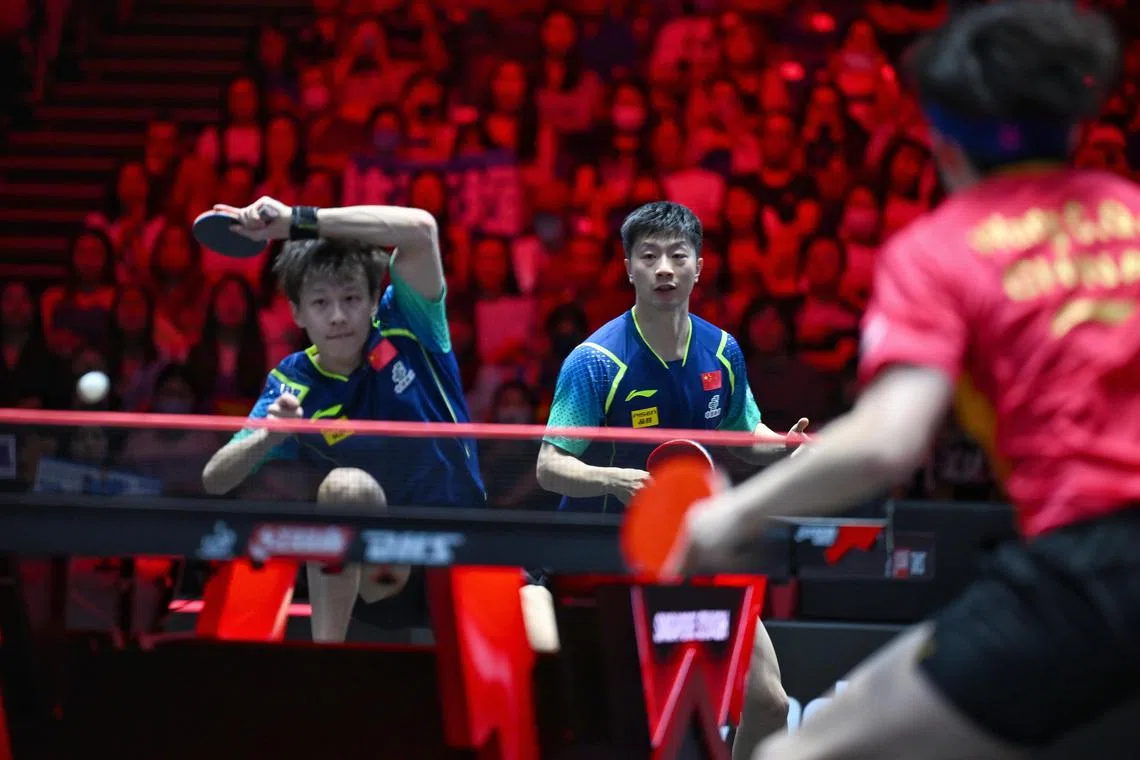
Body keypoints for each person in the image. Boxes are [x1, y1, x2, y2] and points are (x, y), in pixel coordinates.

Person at [670, 3, 1139, 759]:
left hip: (1092, 568)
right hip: (1085, 572)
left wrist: (730, 516)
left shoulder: (940, 250)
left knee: (795, 753)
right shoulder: (1132, 211)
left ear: (943, 142)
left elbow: (886, 442)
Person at [534, 201, 811, 759]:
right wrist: (613, 480)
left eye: (677, 256)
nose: (664, 268)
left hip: (693, 548)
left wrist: (782, 447)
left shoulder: (722, 352)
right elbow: (549, 466)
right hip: (608, 561)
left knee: (769, 703)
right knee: (629, 725)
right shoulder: (595, 361)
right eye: (649, 256)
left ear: (698, 267)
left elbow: (744, 433)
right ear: (628, 268)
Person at [202, 195, 486, 643]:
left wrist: (294, 222)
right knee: (344, 487)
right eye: (320, 302)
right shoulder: (293, 383)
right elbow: (215, 479)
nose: (337, 317)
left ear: (374, 299)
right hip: (383, 567)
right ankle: (325, 657)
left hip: (466, 548)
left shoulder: (409, 325)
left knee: (539, 633)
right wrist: (268, 436)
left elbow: (420, 229)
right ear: (297, 312)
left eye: (351, 298)